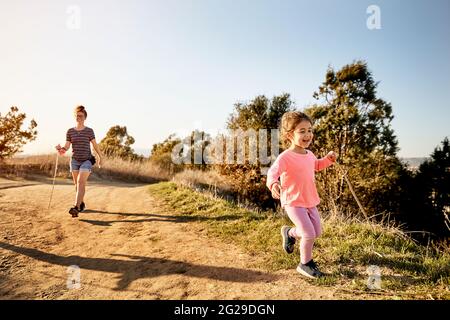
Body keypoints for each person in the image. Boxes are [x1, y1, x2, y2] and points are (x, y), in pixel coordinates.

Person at [266, 111, 337, 279]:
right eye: (302, 131)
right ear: (290, 135)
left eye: (310, 130)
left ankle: (290, 233)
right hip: (293, 201)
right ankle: (305, 264)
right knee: (309, 233)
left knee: (316, 231)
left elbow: (317, 165)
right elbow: (272, 173)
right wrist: (274, 184)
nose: (308, 134)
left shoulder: (309, 154)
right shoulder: (285, 157)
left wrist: (328, 159)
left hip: (309, 200)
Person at [55, 105, 103, 217]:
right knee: (77, 184)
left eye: (81, 116)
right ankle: (81, 204)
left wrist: (100, 157)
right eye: (77, 116)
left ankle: (76, 207)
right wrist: (60, 149)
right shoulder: (70, 131)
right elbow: (66, 148)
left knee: (81, 182)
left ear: (85, 117)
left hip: (87, 160)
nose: (79, 118)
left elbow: (95, 145)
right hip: (75, 161)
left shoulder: (89, 131)